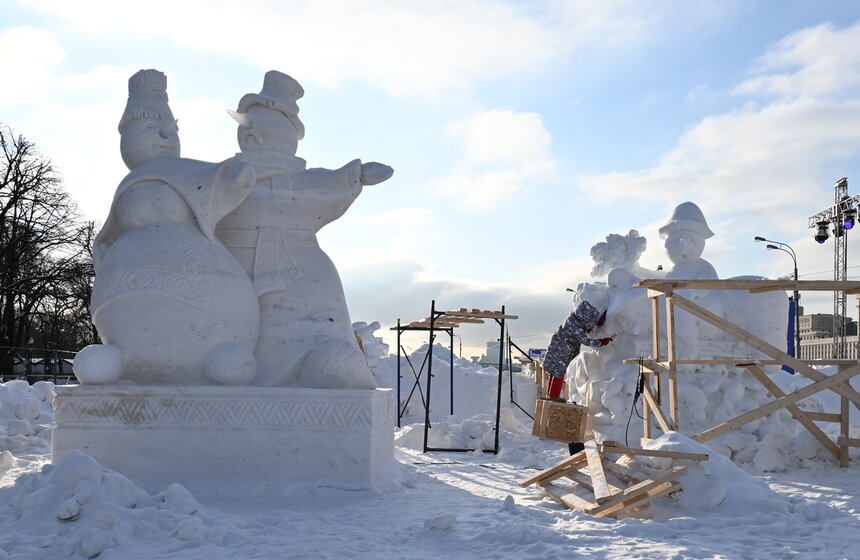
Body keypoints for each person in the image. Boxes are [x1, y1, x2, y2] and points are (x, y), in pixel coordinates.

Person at [74, 69, 259, 385]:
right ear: (126, 137)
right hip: (124, 299)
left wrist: (236, 175)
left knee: (217, 343)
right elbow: (108, 234)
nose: (165, 136)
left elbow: (224, 179)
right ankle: (119, 357)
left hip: (200, 290)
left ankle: (223, 355)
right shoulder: (127, 184)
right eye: (151, 127)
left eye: (171, 129)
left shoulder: (186, 172)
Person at [216, 70, 393, 389]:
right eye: (246, 129)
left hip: (300, 267)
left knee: (302, 328)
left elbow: (332, 181)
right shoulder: (225, 178)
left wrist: (359, 175)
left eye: (255, 129)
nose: (249, 136)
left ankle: (324, 368)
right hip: (230, 266)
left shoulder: (300, 183)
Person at [543, 301, 612, 400]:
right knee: (559, 373)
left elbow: (587, 327)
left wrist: (598, 321)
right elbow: (586, 341)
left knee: (555, 372)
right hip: (561, 350)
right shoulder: (576, 326)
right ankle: (553, 396)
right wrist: (601, 342)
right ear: (586, 318)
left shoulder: (575, 319)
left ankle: (550, 395)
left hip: (558, 347)